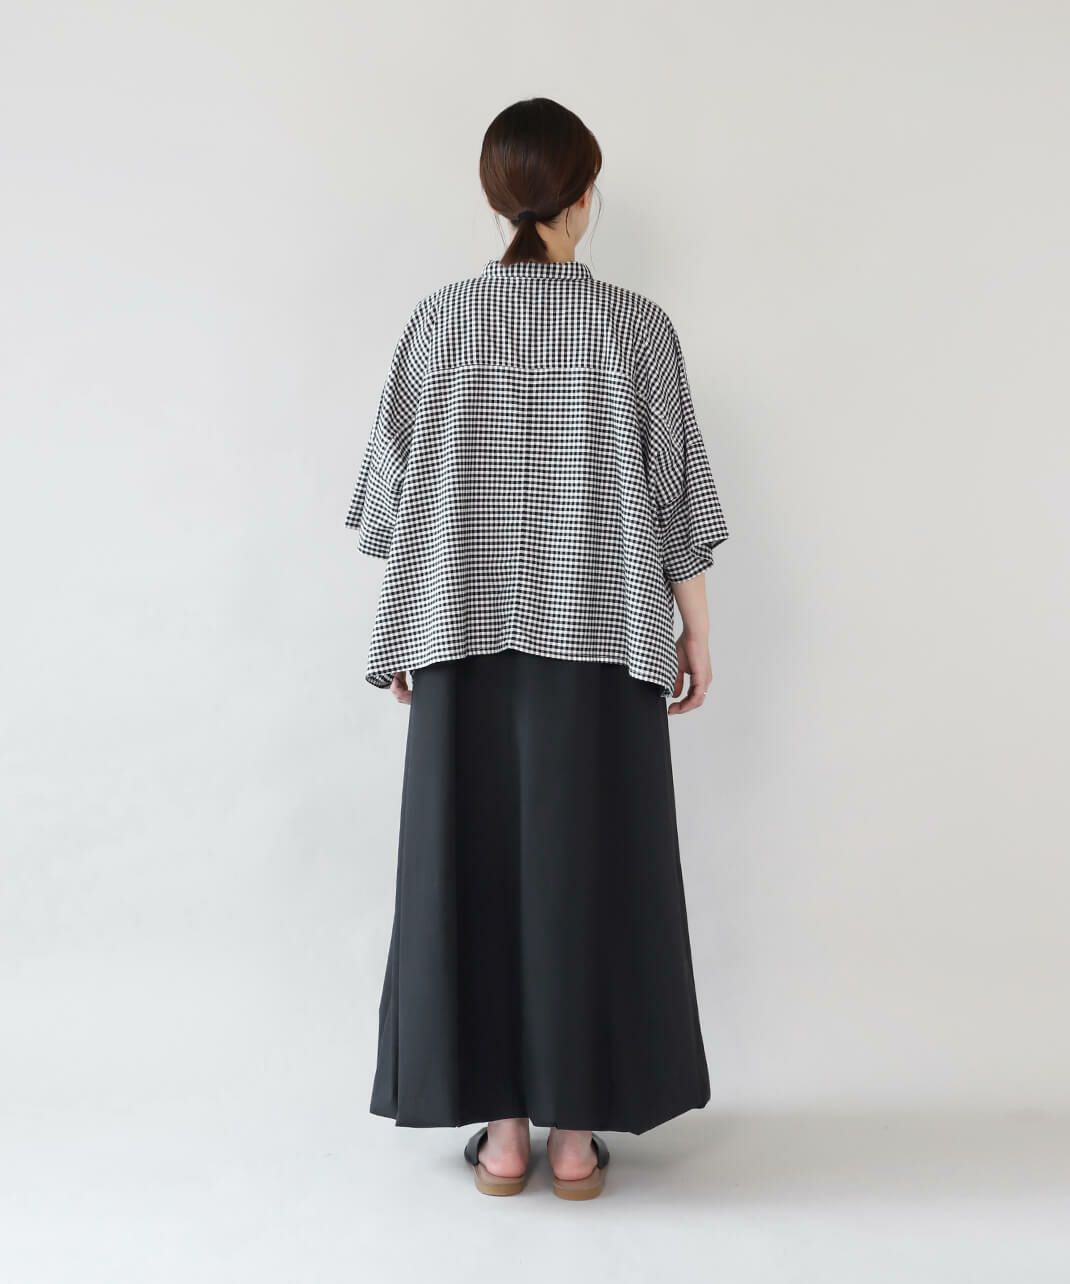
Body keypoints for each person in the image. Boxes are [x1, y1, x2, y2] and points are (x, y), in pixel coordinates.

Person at [344, 97, 729, 1200]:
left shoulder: (439, 321)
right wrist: (696, 629)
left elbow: (389, 503)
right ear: (584, 196)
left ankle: (503, 1138)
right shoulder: (636, 327)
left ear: (494, 197)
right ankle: (574, 1141)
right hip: (602, 641)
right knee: (592, 873)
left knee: (464, 873)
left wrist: (413, 621)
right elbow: (676, 502)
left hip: (459, 637)